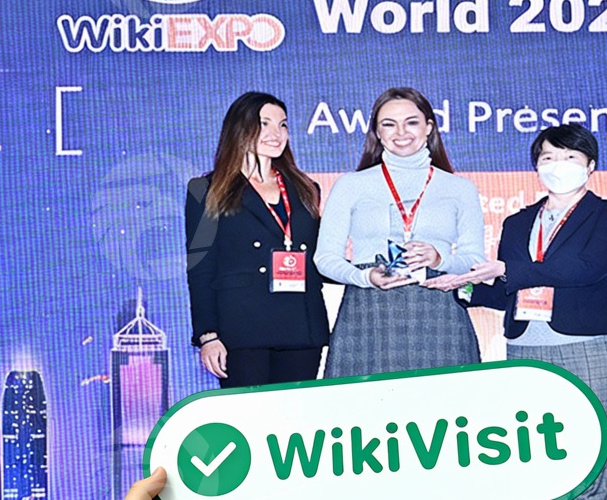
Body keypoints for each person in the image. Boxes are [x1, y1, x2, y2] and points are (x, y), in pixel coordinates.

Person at [426, 123, 607, 500]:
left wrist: (507, 269)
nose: (558, 164)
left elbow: (587, 268)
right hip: (526, 348)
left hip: (587, 345)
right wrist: (463, 286)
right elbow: (509, 290)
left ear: (590, 165)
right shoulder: (517, 223)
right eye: (548, 157)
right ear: (536, 166)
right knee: (537, 454)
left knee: (591, 451)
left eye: (570, 156)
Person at [314, 87, 485, 377]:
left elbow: (474, 261)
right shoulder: (351, 185)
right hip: (368, 310)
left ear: (428, 127)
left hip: (438, 310)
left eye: (411, 122)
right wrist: (364, 277)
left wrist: (440, 260)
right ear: (377, 132)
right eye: (389, 124)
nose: (401, 132)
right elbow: (325, 258)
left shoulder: (460, 188)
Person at [185, 92, 329, 388]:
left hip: (301, 324)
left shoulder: (306, 188)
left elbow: (321, 256)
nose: (276, 134)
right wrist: (208, 336)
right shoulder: (206, 189)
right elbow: (201, 268)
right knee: (250, 415)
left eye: (283, 125)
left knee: (295, 416)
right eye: (264, 124)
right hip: (242, 328)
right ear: (239, 128)